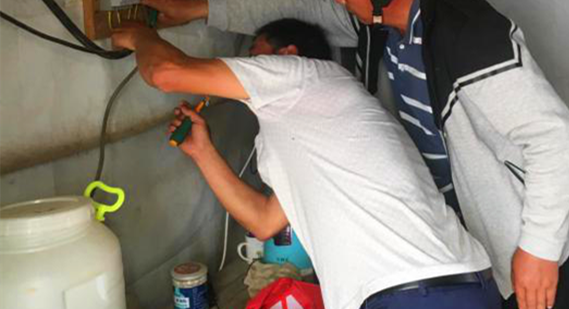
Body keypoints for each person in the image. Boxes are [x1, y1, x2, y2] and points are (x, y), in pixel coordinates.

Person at [141, 0, 569, 309]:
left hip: (537, 238)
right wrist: (200, 9)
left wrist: (538, 249)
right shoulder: (377, 24)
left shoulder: (468, 35)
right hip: (471, 245)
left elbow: (554, 139)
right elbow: (291, 11)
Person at [112, 18, 501, 309]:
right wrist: (203, 151)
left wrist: (140, 35)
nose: (244, 68)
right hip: (443, 285)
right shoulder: (311, 125)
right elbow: (264, 221)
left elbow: (166, 73)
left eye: (254, 57)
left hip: (412, 288)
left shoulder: (305, 76)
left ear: (287, 56)